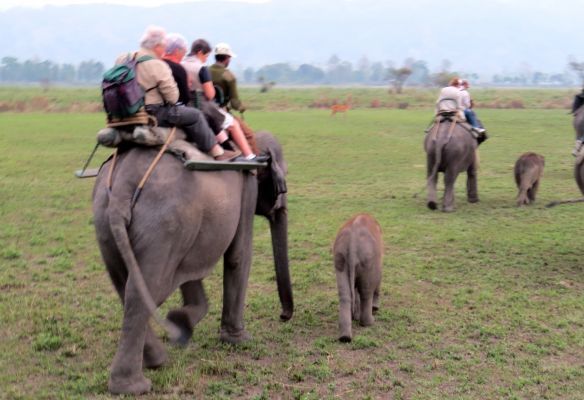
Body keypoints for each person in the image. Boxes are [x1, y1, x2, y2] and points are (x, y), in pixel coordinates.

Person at [119, 26, 238, 161]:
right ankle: (217, 152)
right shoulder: (158, 64)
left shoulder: (124, 58)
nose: (164, 49)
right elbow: (173, 97)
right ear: (157, 45)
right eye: (163, 46)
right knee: (195, 115)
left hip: (126, 111)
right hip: (153, 112)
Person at [182, 38, 264, 161]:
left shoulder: (183, 65)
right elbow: (218, 97)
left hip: (185, 105)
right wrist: (241, 108)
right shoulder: (224, 74)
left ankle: (225, 146)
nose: (206, 58)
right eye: (206, 55)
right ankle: (251, 157)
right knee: (243, 130)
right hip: (208, 107)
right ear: (227, 58)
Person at [209, 42, 245, 113]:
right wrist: (241, 107)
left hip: (205, 109)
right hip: (221, 111)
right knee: (240, 124)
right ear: (227, 58)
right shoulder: (229, 76)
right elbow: (234, 102)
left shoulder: (204, 71)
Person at [460, 79, 487, 144]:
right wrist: (470, 104)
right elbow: (467, 105)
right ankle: (476, 128)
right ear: (464, 84)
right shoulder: (465, 93)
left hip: (454, 109)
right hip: (463, 110)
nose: (468, 86)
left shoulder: (456, 90)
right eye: (467, 84)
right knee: (471, 113)